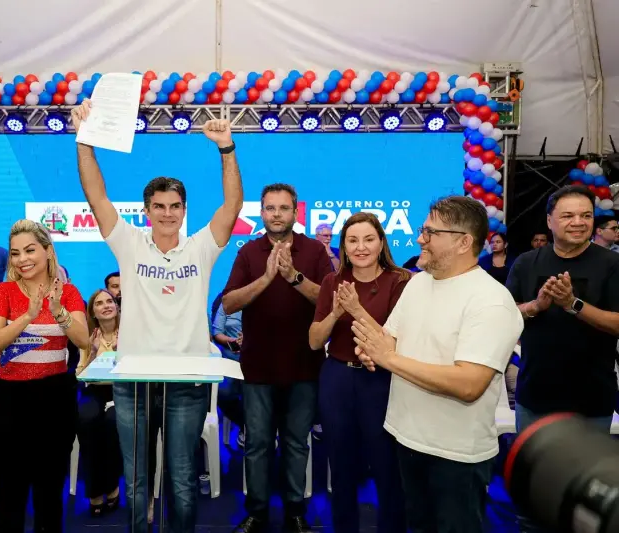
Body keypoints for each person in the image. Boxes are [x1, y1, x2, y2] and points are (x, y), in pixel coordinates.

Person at [71, 100, 242, 533]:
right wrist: (85, 141)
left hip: (187, 382)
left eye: (175, 206)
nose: (168, 213)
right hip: (133, 382)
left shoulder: (201, 247)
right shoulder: (129, 244)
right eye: (159, 206)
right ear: (146, 210)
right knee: (136, 483)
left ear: (184, 210)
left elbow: (232, 206)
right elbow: (96, 196)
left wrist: (226, 149)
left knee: (182, 481)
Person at [351, 196, 523, 533]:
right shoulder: (418, 283)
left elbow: (469, 384)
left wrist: (389, 358)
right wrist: (374, 349)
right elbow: (392, 340)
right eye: (422, 230)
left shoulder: (491, 301)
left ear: (463, 242)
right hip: (406, 438)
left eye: (431, 232)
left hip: (455, 454)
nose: (420, 239)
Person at [506, 186, 619, 533]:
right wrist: (536, 306)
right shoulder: (527, 263)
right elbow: (504, 315)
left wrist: (574, 305)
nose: (578, 222)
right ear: (550, 221)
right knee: (531, 498)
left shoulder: (612, 264)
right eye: (568, 215)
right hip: (536, 397)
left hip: (591, 400)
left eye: (586, 216)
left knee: (583, 501)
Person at [223, 183, 332, 533]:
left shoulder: (314, 251)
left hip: (304, 367)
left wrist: (292, 277)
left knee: (296, 444)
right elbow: (229, 302)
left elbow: (328, 300)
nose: (276, 214)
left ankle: (294, 512)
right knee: (257, 445)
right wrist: (268, 277)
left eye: (284, 208)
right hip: (259, 369)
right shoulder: (249, 252)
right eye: (270, 208)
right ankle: (256, 512)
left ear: (295, 212)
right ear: (261, 213)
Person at [0, 220, 90, 532]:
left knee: (49, 495)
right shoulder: (2, 292)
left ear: (47, 251)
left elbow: (83, 339)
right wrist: (27, 316)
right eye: (15, 253)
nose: (22, 259)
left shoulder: (68, 293)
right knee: (10, 496)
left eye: (30, 250)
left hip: (54, 400)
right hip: (8, 401)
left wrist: (57, 310)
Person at [309, 212, 410, 533]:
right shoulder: (332, 282)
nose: (360, 247)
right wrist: (336, 312)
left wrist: (354, 309)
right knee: (341, 467)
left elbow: (393, 340)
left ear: (381, 243)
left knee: (386, 466)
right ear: (343, 246)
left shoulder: (400, 281)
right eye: (352, 240)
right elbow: (314, 341)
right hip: (338, 378)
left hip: (382, 380)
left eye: (368, 239)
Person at [74, 289, 122, 517]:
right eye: (99, 303)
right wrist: (92, 352)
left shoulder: (129, 335)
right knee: (87, 420)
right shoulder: (87, 337)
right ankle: (94, 491)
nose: (106, 305)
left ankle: (112, 486)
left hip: (122, 390)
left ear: (117, 306)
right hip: (94, 390)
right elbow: (80, 375)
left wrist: (122, 352)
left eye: (110, 301)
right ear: (92, 311)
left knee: (112, 423)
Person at [211, 297, 244, 444]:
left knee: (256, 392)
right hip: (230, 361)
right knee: (222, 393)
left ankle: (261, 431)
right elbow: (216, 332)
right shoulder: (227, 301)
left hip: (256, 360)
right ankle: (246, 425)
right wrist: (232, 341)